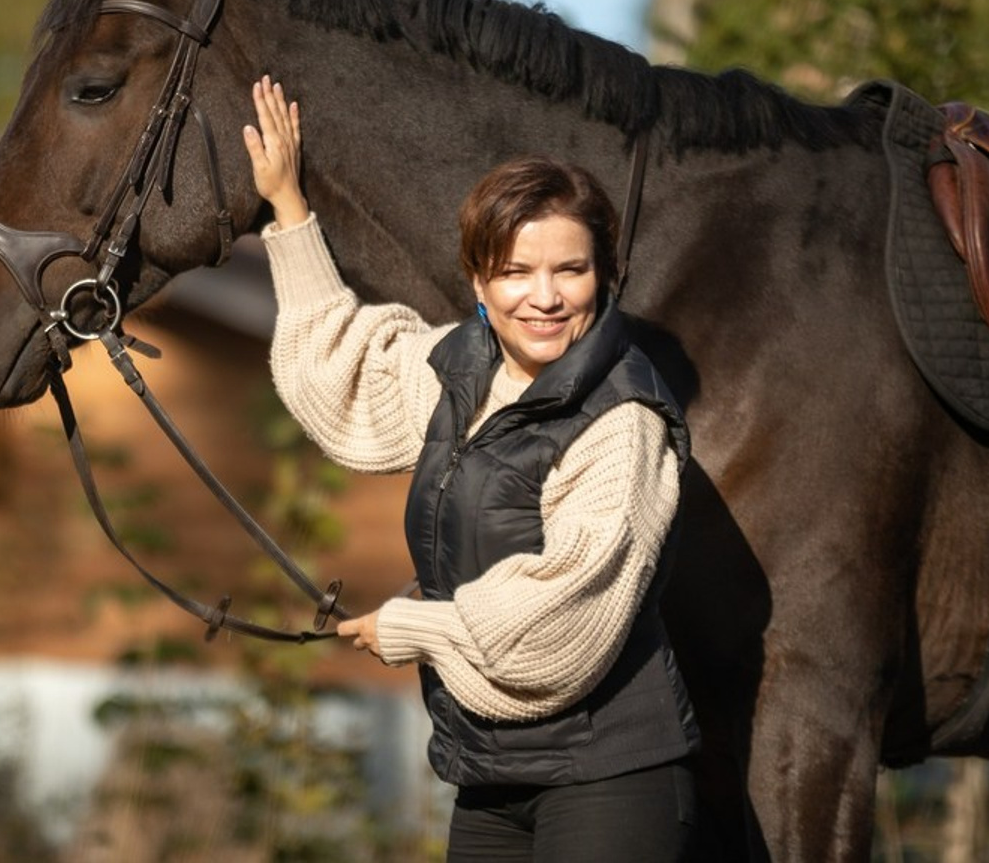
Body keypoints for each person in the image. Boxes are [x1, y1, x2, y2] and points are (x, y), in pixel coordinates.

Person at [242, 75, 699, 861]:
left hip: (610, 780)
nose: (546, 298)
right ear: (480, 284)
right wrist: (286, 208)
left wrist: (410, 626)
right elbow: (341, 374)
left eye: (571, 271)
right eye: (517, 273)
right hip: (488, 780)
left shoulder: (622, 421)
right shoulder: (465, 368)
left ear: (604, 276)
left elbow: (561, 622)